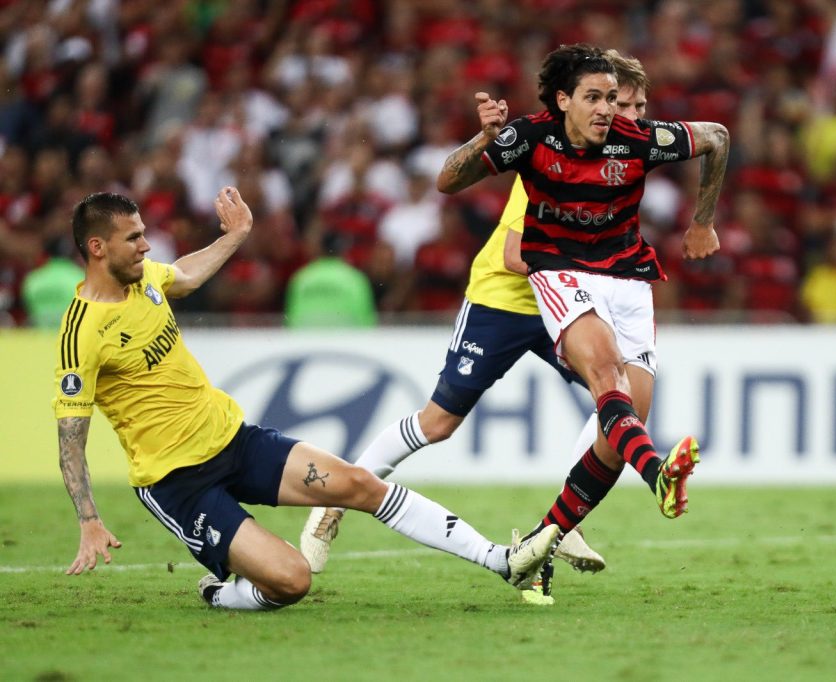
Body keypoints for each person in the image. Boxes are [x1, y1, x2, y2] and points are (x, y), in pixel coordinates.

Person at [53, 189, 559, 611]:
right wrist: (89, 519)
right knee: (292, 581)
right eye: (134, 238)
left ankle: (501, 561)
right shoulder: (82, 332)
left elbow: (182, 274)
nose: (146, 245)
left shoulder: (147, 282)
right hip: (178, 481)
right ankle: (220, 594)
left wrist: (234, 236)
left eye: (144, 232)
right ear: (97, 247)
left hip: (235, 441)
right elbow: (70, 439)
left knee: (360, 484)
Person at [299, 51, 654, 601]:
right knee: (438, 423)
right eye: (617, 103)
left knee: (619, 398)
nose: (626, 117)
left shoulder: (615, 159)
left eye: (632, 106)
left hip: (563, 299)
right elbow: (516, 254)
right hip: (506, 300)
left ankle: (563, 522)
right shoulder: (551, 155)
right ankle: (334, 499)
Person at [436, 43, 729, 598]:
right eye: (595, 98)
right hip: (559, 271)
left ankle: (537, 551)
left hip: (629, 280)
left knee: (619, 432)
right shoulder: (529, 137)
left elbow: (717, 137)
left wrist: (702, 223)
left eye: (613, 99)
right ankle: (659, 474)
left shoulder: (635, 139)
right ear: (564, 100)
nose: (608, 110)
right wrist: (482, 139)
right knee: (607, 381)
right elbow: (448, 181)